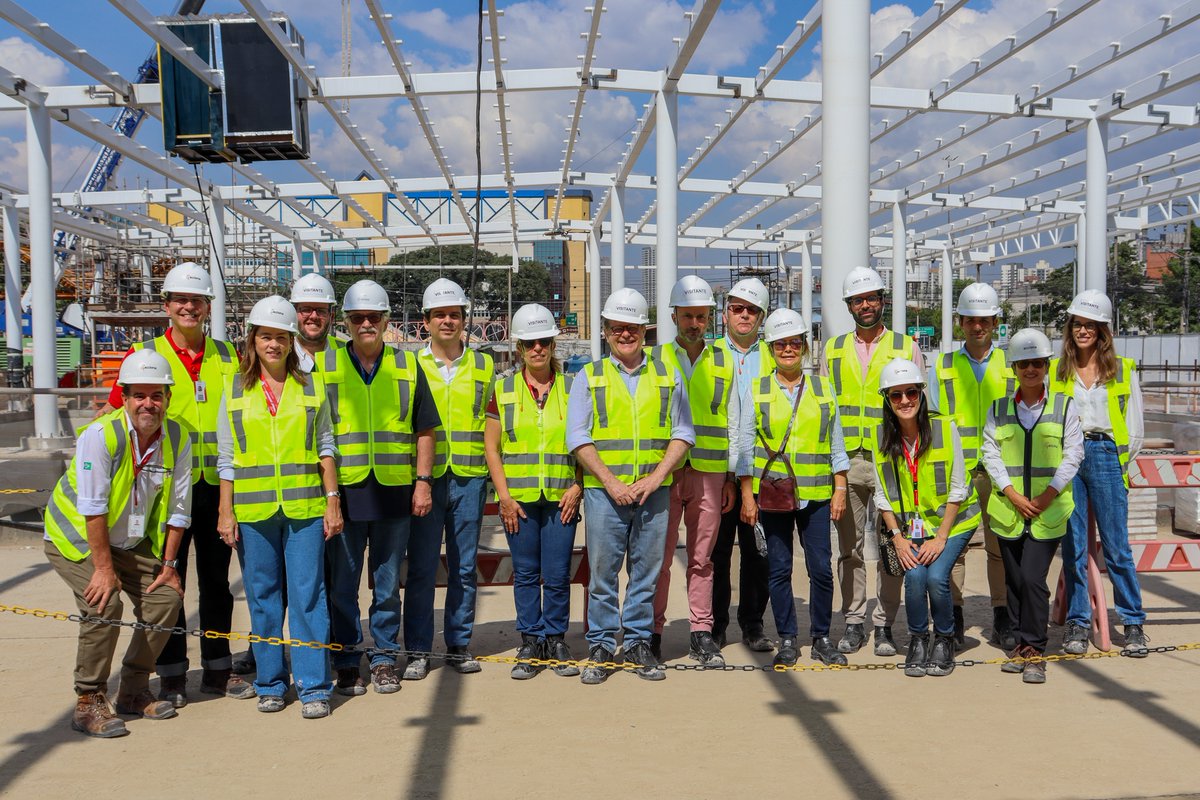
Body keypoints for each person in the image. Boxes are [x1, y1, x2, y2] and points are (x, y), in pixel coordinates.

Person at [105, 261, 248, 706]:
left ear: (208, 306)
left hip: (217, 487)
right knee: (167, 582)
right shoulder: (144, 355)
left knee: (217, 583)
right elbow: (116, 417)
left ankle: (218, 668)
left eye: (198, 300)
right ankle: (169, 675)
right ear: (166, 305)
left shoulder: (229, 356)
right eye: (181, 300)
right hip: (163, 490)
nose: (189, 306)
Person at [45, 350, 191, 737]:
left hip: (128, 539)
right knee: (103, 602)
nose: (149, 403)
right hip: (75, 538)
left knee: (165, 599)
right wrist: (104, 571)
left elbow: (178, 509)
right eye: (139, 395)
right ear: (123, 397)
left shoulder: (177, 436)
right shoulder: (100, 435)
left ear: (167, 398)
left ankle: (133, 689)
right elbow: (93, 508)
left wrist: (169, 566)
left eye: (156, 395)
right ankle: (89, 698)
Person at [215, 296, 342, 719]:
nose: (273, 344)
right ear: (253, 340)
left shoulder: (311, 385)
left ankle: (313, 686)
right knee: (263, 598)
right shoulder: (234, 389)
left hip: (305, 508)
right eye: (265, 336)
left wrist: (332, 501)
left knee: (308, 597)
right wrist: (225, 511)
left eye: (281, 337)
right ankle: (270, 682)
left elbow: (326, 445)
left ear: (292, 341)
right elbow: (227, 457)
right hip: (253, 514)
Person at [566, 288, 694, 684]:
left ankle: (639, 641)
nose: (626, 334)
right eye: (618, 328)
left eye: (633, 328)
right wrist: (611, 482)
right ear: (605, 331)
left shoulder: (667, 375)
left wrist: (655, 479)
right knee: (602, 573)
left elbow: (683, 433)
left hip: (653, 491)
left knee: (646, 571)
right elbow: (577, 436)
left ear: (645, 331)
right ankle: (602, 644)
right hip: (605, 494)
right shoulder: (590, 376)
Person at [323, 280, 438, 695]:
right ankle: (348, 659)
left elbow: (425, 430)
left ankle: (385, 656)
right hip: (347, 494)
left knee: (387, 585)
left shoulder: (407, 366)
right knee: (342, 585)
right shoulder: (328, 368)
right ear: (346, 323)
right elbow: (320, 437)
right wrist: (330, 496)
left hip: (393, 491)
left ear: (387, 321)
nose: (366, 324)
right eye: (358, 318)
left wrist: (422, 483)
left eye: (374, 317)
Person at [821, 267, 923, 658]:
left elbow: (916, 404)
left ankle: (883, 625)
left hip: (890, 459)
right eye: (857, 300)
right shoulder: (832, 350)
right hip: (847, 461)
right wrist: (836, 470)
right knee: (849, 547)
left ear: (883, 300)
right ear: (849, 306)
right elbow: (825, 410)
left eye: (872, 298)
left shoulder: (904, 346)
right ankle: (853, 620)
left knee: (890, 547)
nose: (865, 305)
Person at [739, 310, 849, 667]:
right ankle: (787, 637)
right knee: (779, 568)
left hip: (817, 495)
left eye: (794, 342)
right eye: (781, 344)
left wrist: (840, 487)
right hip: (772, 495)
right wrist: (747, 496)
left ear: (804, 346)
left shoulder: (822, 387)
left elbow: (836, 444)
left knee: (821, 568)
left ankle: (820, 638)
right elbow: (744, 445)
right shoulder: (757, 389)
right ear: (770, 349)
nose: (788, 349)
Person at [484, 303, 582, 680]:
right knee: (525, 573)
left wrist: (578, 486)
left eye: (543, 341)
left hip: (561, 498)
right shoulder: (504, 389)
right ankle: (530, 639)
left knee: (557, 574)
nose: (537, 349)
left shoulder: (575, 388)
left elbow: (586, 443)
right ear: (519, 347)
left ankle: (555, 638)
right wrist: (503, 497)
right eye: (529, 343)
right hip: (519, 501)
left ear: (554, 344)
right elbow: (492, 447)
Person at [982, 329, 1083, 683]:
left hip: (1047, 511)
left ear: (1046, 366)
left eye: (1037, 363)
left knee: (1032, 577)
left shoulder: (1064, 406)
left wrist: (1047, 495)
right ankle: (1020, 647)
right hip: (1010, 510)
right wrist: (1011, 493)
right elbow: (990, 453)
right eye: (1023, 364)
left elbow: (1074, 454)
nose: (1030, 369)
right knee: (1013, 580)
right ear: (1013, 368)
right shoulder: (999, 409)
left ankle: (1035, 651)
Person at [1051, 290, 1148, 656]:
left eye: (1090, 325)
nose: (1083, 330)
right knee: (1073, 545)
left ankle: (1133, 621)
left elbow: (1134, 424)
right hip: (1069, 458)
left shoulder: (1121, 369)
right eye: (1078, 324)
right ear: (1070, 328)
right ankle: (1077, 622)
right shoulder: (1057, 371)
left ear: (1103, 330)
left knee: (1117, 546)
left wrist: (1121, 461)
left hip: (1107, 455)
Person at [649, 276, 738, 667]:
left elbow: (736, 420)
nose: (694, 323)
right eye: (687, 316)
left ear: (710, 318)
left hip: (709, 471)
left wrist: (734, 475)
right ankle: (651, 631)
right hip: (666, 472)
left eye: (701, 317)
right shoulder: (655, 359)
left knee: (703, 558)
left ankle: (701, 631)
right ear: (673, 316)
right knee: (659, 557)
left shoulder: (725, 360)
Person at [873, 358, 981, 678]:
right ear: (887, 400)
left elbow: (958, 489)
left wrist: (941, 537)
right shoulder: (881, 437)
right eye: (895, 395)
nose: (904, 400)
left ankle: (944, 639)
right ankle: (919, 639)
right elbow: (882, 496)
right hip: (910, 528)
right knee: (916, 576)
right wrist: (899, 539)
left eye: (911, 392)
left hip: (953, 523)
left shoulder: (945, 429)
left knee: (935, 577)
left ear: (921, 394)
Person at [412, 278, 496, 677]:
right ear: (425, 321)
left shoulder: (484, 364)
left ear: (465, 319)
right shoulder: (410, 365)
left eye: (455, 314)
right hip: (426, 479)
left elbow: (491, 423)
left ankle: (458, 644)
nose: (448, 321)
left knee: (464, 566)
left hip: (469, 477)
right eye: (440, 315)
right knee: (423, 566)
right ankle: (417, 648)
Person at [928, 282, 1015, 649]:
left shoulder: (1010, 363)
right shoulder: (943, 364)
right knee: (956, 548)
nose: (977, 326)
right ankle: (955, 618)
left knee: (1000, 547)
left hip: (1000, 471)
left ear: (995, 322)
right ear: (959, 322)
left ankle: (1002, 617)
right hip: (958, 471)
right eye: (970, 320)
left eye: (984, 320)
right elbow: (933, 417)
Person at [710, 277, 773, 652]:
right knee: (716, 554)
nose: (744, 315)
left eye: (751, 310)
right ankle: (715, 626)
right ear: (725, 314)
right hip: (717, 471)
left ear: (761, 316)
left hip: (762, 473)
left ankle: (752, 625)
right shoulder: (710, 354)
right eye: (737, 308)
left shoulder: (773, 355)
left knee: (757, 553)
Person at [291, 272, 339, 372]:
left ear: (332, 316)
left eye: (321, 310)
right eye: (306, 309)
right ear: (294, 314)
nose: (313, 316)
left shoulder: (348, 352)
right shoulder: (280, 354)